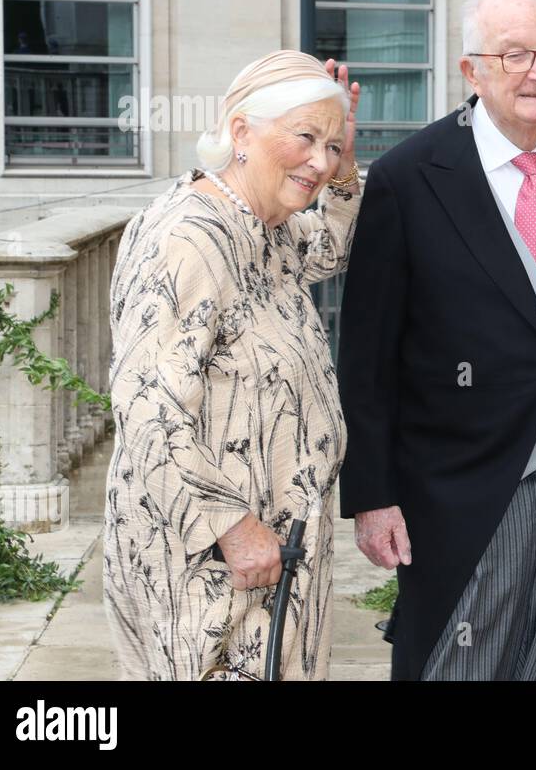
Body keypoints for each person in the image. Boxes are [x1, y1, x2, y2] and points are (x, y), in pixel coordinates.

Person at [337, 0, 536, 681]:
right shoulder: (409, 178)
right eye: (514, 56)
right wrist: (372, 494)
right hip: (460, 489)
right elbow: (366, 356)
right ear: (471, 71)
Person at [104, 50, 361, 680]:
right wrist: (233, 528)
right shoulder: (187, 238)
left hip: (272, 560)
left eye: (332, 146)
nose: (321, 162)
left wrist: (343, 154)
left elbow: (331, 245)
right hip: (213, 569)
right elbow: (147, 409)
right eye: (305, 137)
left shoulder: (265, 226)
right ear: (241, 131)